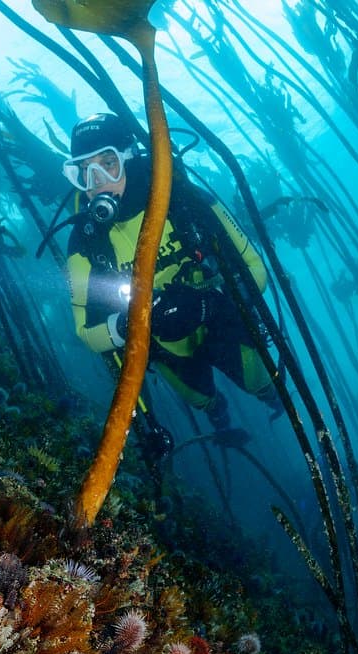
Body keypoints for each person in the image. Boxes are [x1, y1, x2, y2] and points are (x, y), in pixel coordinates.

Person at [62, 113, 281, 439]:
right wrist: (129, 325)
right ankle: (219, 415)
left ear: (131, 157)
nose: (96, 182)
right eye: (84, 171)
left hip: (222, 322)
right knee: (203, 400)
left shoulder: (183, 199)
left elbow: (255, 269)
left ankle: (273, 402)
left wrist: (205, 303)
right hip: (166, 350)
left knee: (260, 382)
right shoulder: (84, 242)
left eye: (108, 164)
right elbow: (86, 332)